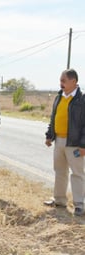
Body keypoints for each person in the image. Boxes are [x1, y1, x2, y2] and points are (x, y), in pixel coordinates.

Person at [44, 69, 85, 216]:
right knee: (60, 171)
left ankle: (80, 204)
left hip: (74, 143)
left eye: (64, 81)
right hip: (59, 141)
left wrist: (83, 145)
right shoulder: (59, 97)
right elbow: (53, 118)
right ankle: (60, 200)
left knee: (77, 173)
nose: (61, 84)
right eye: (60, 80)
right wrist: (49, 135)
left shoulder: (82, 99)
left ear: (74, 81)